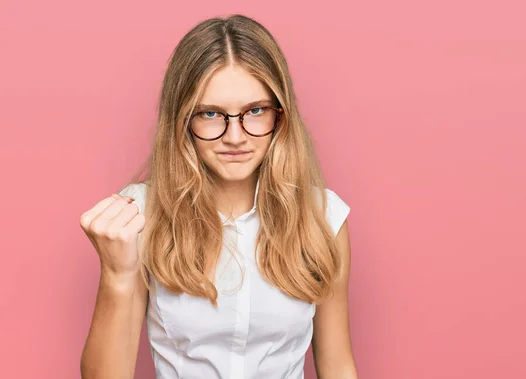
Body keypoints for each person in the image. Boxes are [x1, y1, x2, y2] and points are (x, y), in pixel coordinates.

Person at [79, 14, 358, 379]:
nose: (236, 137)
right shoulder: (139, 218)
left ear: (281, 115)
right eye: (211, 114)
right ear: (182, 122)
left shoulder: (324, 217)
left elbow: (338, 364)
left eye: (255, 111)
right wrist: (116, 275)